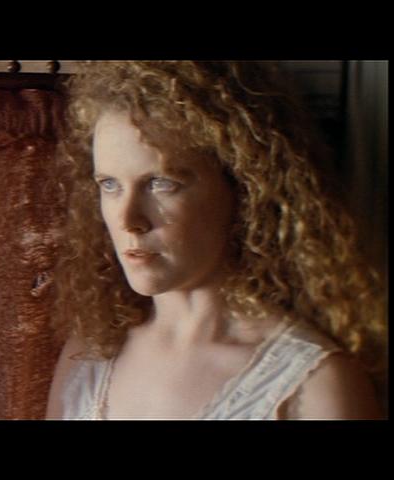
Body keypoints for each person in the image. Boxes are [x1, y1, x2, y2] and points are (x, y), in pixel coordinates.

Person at [46, 61, 386, 420]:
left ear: (243, 189)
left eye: (161, 183)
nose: (128, 220)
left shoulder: (313, 385)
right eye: (109, 184)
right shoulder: (90, 355)